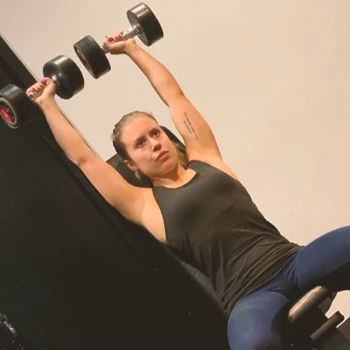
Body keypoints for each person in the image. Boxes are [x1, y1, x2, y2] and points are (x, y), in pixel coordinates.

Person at [28, 32, 350, 350]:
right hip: (248, 297)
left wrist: (130, 48)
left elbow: (174, 96)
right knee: (254, 345)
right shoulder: (145, 205)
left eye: (155, 133)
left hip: (291, 260)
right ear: (131, 165)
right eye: (140, 144)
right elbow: (85, 160)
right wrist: (47, 103)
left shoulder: (206, 157)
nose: (154, 144)